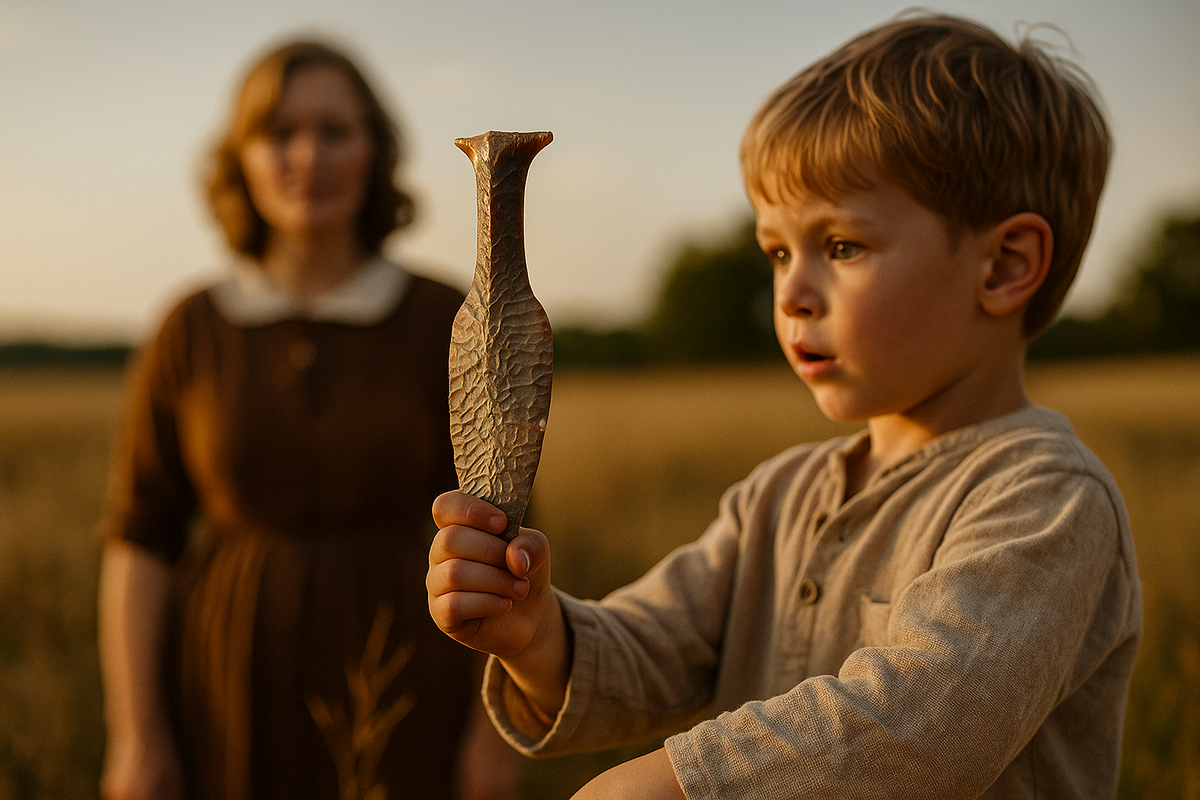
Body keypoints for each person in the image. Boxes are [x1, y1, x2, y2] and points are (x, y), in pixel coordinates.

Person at [426, 13, 1142, 800]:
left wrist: (663, 787)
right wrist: (539, 637)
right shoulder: (777, 498)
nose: (792, 293)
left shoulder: (1046, 500)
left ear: (1005, 267)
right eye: (777, 251)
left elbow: (918, 730)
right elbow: (659, 648)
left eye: (841, 247)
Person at [98, 40, 517, 800]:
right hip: (224, 690)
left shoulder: (444, 318)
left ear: (375, 149)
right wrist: (137, 737)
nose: (307, 156)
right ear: (240, 158)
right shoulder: (190, 329)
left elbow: (501, 533)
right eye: (278, 132)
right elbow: (141, 541)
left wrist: (492, 740)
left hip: (411, 683)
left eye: (334, 131)